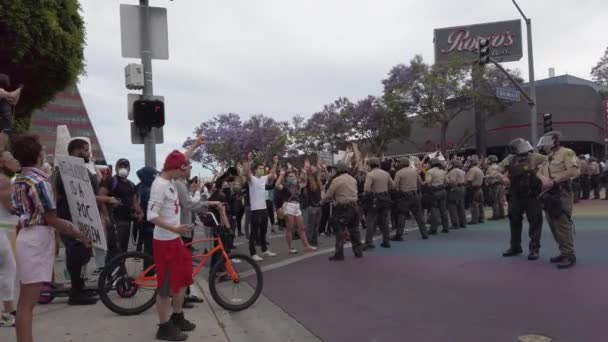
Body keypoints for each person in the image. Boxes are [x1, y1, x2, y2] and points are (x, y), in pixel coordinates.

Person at [10, 134, 91, 342]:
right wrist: (79, 233)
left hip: (26, 235)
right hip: (37, 237)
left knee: (26, 300)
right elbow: (52, 218)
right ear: (38, 155)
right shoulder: (40, 182)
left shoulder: (19, 180)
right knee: (28, 302)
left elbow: (18, 213)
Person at [148, 140, 205, 341]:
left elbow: (182, 158)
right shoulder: (160, 185)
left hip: (175, 239)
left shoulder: (171, 180)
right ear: (174, 169)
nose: (185, 173)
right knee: (165, 288)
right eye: (183, 169)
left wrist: (195, 145)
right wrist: (176, 228)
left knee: (183, 277)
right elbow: (151, 215)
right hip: (164, 241)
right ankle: (164, 328)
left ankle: (177, 316)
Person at [54, 138, 117, 305]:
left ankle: (80, 288)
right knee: (77, 254)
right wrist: (108, 199)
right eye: (85, 149)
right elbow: (84, 195)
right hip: (70, 218)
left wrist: (101, 212)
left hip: (85, 218)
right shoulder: (65, 172)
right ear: (75, 151)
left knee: (84, 254)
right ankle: (75, 292)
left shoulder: (82, 170)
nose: (88, 153)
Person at [536, 131, 579, 269]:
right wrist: (543, 179)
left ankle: (569, 255)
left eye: (548, 141)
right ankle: (563, 252)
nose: (545, 144)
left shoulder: (567, 152)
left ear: (556, 141)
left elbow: (572, 171)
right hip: (549, 192)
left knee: (562, 223)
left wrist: (555, 181)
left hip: (562, 192)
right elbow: (538, 171)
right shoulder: (549, 157)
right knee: (553, 224)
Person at [499, 138, 545, 260]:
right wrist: (502, 177)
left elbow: (550, 163)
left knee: (535, 223)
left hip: (532, 195)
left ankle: (534, 249)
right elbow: (496, 170)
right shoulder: (509, 159)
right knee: (514, 221)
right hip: (516, 196)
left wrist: (541, 174)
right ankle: (515, 247)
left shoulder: (536, 157)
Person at [99, 158, 144, 253]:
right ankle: (112, 266)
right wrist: (105, 215)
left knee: (123, 249)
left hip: (127, 221)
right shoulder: (110, 180)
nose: (123, 168)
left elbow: (134, 202)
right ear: (116, 168)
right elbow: (101, 197)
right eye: (121, 166)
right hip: (114, 220)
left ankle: (120, 266)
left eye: (125, 166)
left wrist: (140, 213)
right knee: (114, 249)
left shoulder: (131, 184)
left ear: (129, 169)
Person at [321, 162, 363, 261]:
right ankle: (358, 252)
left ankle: (339, 254)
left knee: (339, 231)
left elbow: (329, 195)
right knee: (355, 230)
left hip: (342, 208)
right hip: (354, 206)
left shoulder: (337, 180)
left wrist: (321, 202)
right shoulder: (353, 179)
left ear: (338, 170)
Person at [243, 153, 278, 261]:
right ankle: (253, 253)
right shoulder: (252, 179)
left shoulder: (263, 178)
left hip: (264, 209)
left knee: (263, 231)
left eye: (262, 168)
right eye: (260, 168)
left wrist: (275, 163)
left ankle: (264, 249)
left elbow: (272, 174)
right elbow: (246, 173)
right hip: (255, 210)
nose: (262, 170)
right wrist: (249, 160)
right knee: (254, 233)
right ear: (255, 170)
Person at [275, 167, 317, 254]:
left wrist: (304, 173)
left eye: (293, 176)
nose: (292, 178)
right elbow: (276, 185)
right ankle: (291, 248)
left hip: (297, 206)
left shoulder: (297, 185)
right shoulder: (285, 186)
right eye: (290, 176)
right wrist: (281, 175)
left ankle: (306, 246)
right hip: (288, 205)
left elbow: (304, 183)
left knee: (301, 228)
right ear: (286, 178)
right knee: (290, 228)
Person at [0, 150, 19, 327]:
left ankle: (8, 310)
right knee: (8, 270)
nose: (15, 160)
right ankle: (7, 311)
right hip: (2, 231)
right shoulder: (4, 180)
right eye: (12, 158)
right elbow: (11, 207)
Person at [392, 157, 428, 240]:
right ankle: (424, 233)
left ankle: (399, 235)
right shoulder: (414, 171)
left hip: (405, 196)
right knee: (419, 215)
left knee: (402, 215)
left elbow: (394, 186)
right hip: (415, 195)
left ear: (401, 164)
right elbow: (421, 182)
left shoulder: (399, 173)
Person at [362, 158, 393, 250]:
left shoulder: (370, 174)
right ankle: (386, 241)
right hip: (385, 198)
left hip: (374, 199)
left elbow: (366, 189)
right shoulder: (386, 173)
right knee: (385, 221)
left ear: (370, 165)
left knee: (370, 221)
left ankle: (368, 243)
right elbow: (393, 185)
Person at [134, 166, 158, 268]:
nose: (155, 177)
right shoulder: (147, 190)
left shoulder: (140, 186)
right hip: (149, 223)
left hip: (145, 222)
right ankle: (149, 272)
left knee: (148, 249)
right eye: (153, 175)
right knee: (150, 250)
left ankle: (149, 271)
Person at [425, 159, 450, 234]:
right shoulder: (443, 171)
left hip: (434, 192)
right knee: (443, 210)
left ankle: (433, 229)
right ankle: (446, 227)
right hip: (442, 191)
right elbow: (447, 182)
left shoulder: (430, 171)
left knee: (434, 210)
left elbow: (428, 182)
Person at [445, 159, 467, 230]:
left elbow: (452, 181)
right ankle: (463, 222)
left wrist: (446, 179)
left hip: (454, 189)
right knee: (461, 206)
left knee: (452, 206)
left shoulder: (453, 171)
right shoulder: (462, 171)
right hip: (462, 188)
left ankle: (455, 223)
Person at [484, 155, 506, 220]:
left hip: (494, 185)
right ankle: (502, 215)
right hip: (500, 184)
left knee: (494, 201)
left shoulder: (491, 167)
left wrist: (485, 176)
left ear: (491, 160)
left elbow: (492, 175)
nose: (488, 161)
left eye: (489, 159)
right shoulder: (498, 166)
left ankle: (496, 215)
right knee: (500, 201)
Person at [465, 155, 485, 225]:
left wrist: (467, 186)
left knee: (474, 204)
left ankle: (474, 219)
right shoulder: (479, 169)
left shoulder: (472, 170)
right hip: (480, 188)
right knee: (480, 204)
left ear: (471, 163)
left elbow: (469, 180)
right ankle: (481, 218)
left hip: (474, 189)